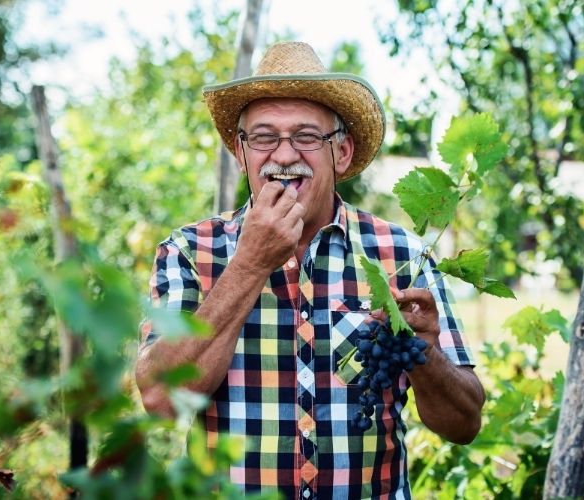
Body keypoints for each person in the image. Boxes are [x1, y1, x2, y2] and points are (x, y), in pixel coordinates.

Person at [135, 41, 485, 499]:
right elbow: (161, 400)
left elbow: (464, 424)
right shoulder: (188, 251)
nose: (283, 155)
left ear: (340, 153)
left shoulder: (400, 255)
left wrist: (426, 356)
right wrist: (250, 263)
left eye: (305, 136)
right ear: (241, 154)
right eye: (263, 137)